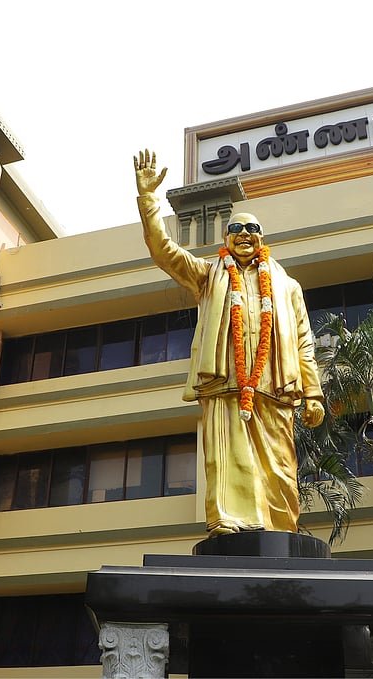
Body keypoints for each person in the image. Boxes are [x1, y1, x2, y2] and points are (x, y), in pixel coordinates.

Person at [133, 149, 324, 535]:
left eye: (252, 229)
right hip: (224, 385)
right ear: (226, 238)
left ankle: (280, 530)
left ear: (262, 238)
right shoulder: (208, 276)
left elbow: (304, 342)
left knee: (282, 473)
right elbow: (164, 252)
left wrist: (313, 393)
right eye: (236, 229)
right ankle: (227, 520)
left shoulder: (287, 286)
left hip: (276, 388)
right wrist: (149, 199)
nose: (244, 235)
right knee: (225, 460)